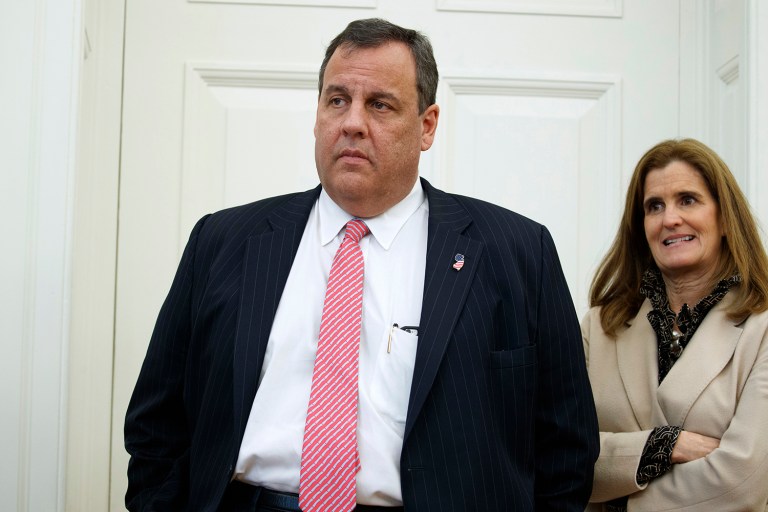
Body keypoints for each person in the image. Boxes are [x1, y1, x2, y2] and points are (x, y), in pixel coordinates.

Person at [125, 18, 598, 512]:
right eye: (337, 100)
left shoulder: (517, 252)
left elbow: (567, 448)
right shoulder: (224, 242)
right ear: (317, 116)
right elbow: (156, 424)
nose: (352, 122)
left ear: (427, 126)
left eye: (380, 104)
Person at [582, 138, 768, 511]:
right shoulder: (599, 326)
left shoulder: (761, 326)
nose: (670, 219)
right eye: (655, 206)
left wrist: (618, 500)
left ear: (725, 218)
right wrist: (659, 446)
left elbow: (743, 483)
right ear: (642, 226)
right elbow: (561, 457)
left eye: (688, 200)